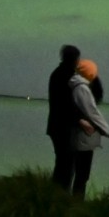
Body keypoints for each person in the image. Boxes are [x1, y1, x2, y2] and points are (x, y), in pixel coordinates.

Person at [65, 57, 109, 199]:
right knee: (82, 174)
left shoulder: (76, 86)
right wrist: (105, 128)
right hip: (84, 137)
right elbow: (91, 111)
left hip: (82, 137)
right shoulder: (82, 88)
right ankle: (77, 202)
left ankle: (74, 200)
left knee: (79, 173)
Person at [45, 45, 83, 189]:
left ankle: (57, 194)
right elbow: (71, 104)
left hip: (57, 126)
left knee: (63, 163)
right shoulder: (67, 76)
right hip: (64, 127)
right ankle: (60, 195)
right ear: (73, 59)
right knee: (66, 164)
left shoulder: (59, 74)